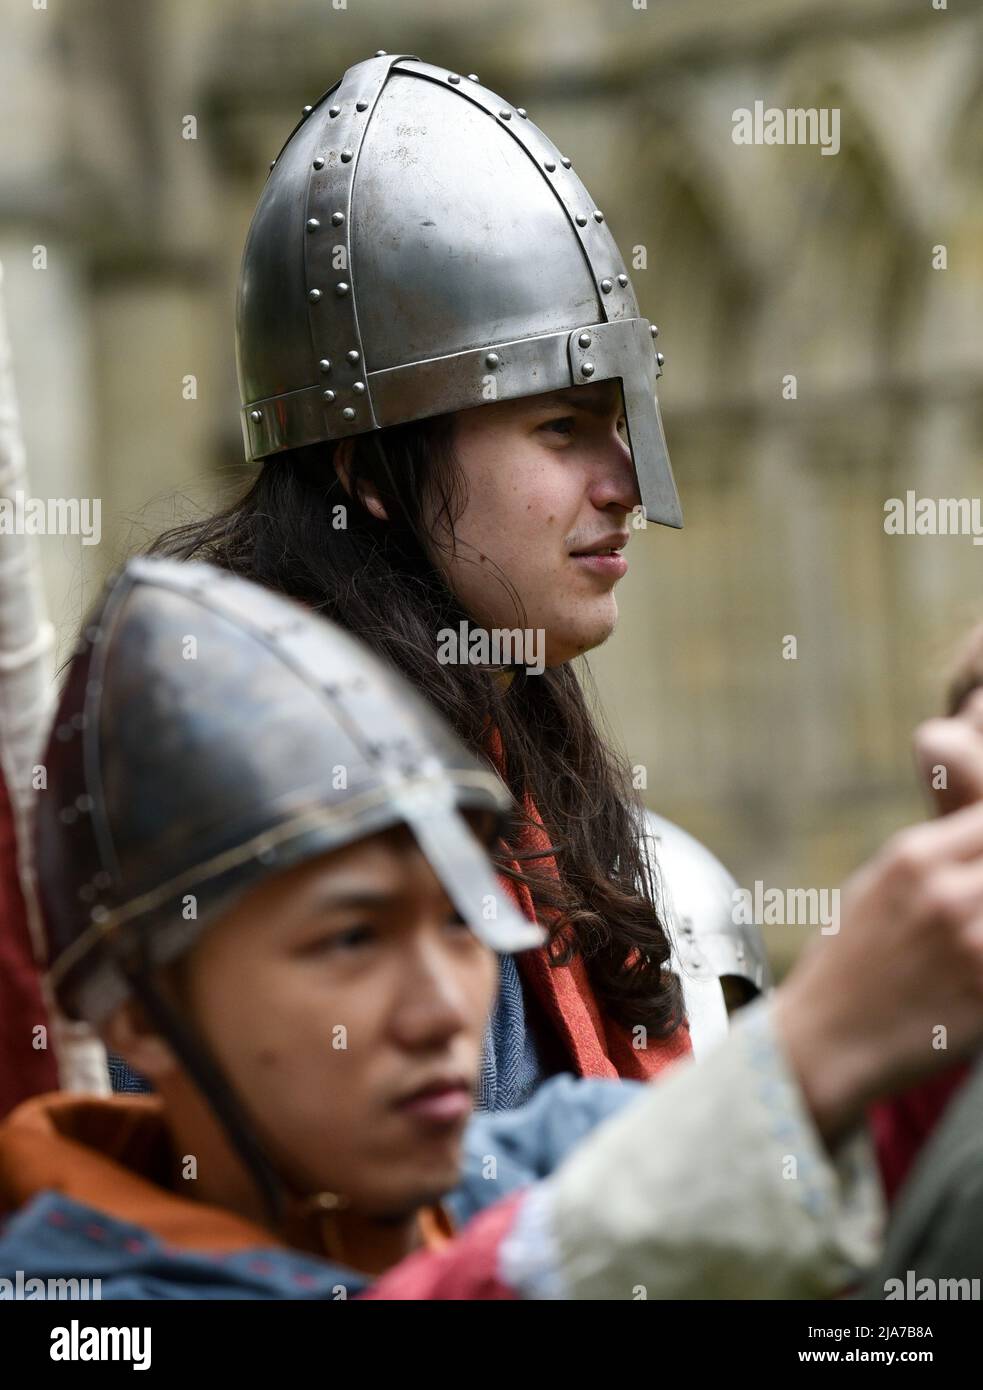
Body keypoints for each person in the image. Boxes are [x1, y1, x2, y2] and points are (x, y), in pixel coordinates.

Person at [6, 558, 983, 1300]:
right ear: (135, 1012)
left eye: (463, 921)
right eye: (352, 938)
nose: (443, 1009)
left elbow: (843, 1184)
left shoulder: (530, 1163)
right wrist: (810, 1047)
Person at [145, 50, 765, 1105]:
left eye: (618, 427)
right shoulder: (242, 866)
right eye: (560, 428)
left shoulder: (627, 869)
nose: (621, 483)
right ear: (369, 475)